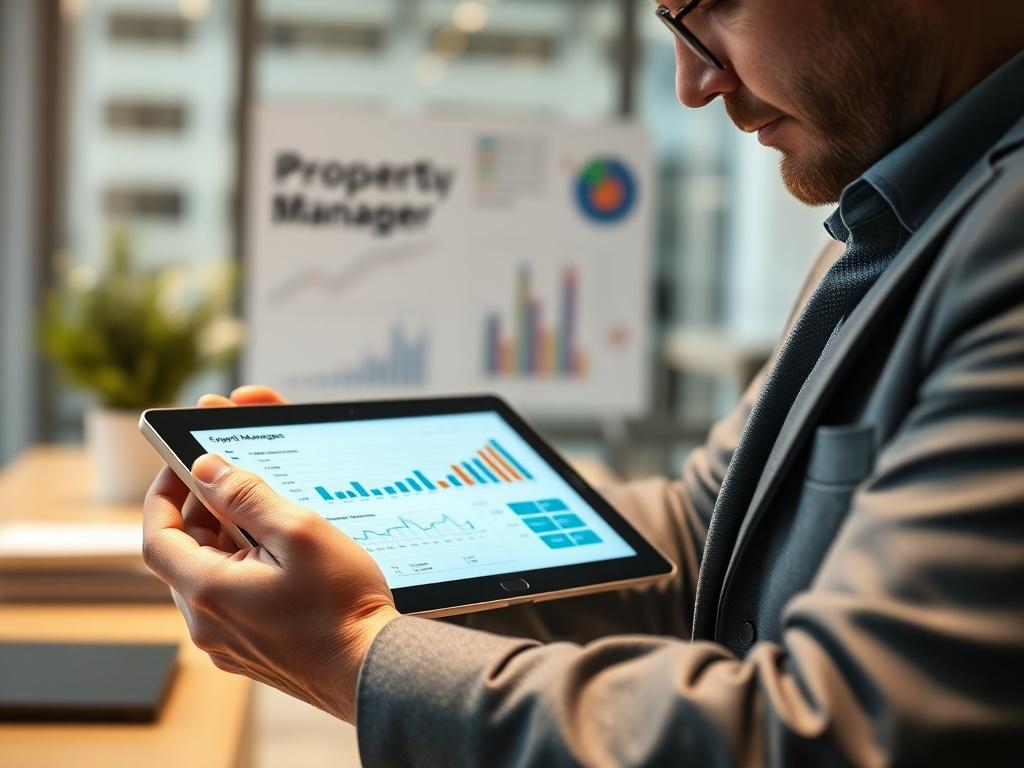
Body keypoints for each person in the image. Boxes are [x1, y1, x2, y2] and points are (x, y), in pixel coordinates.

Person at [142, 1, 1024, 764]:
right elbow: (699, 535)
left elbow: (837, 738)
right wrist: (371, 538)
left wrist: (353, 649)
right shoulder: (888, 219)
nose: (693, 81)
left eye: (713, 7)